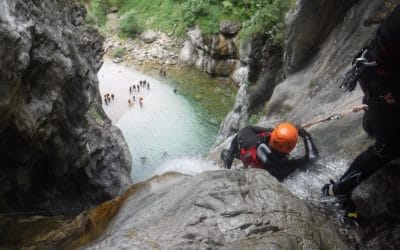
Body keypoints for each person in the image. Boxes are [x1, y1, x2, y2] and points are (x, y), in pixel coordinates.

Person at [322, 4, 400, 219]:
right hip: (381, 82)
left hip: (378, 75)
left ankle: (373, 120)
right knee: (388, 147)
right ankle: (339, 188)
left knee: (380, 111)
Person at [221, 123, 319, 181]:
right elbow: (313, 158)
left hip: (250, 161)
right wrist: (306, 136)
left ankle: (229, 156)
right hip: (271, 175)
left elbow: (246, 129)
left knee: (241, 139)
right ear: (291, 147)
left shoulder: (253, 142)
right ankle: (229, 156)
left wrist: (273, 130)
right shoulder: (285, 166)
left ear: (272, 137)